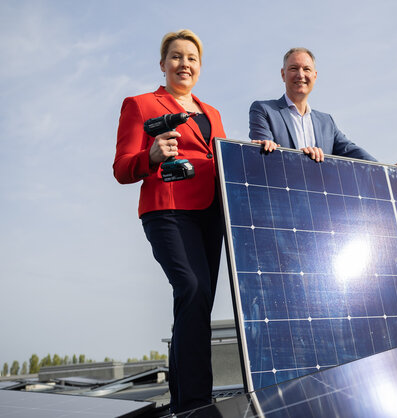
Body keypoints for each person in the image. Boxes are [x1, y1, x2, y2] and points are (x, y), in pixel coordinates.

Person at [113, 29, 225, 413]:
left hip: (211, 214)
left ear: (200, 67)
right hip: (168, 210)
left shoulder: (213, 114)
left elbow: (221, 162)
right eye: (176, 57)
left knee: (199, 303)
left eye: (192, 58)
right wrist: (152, 156)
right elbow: (122, 168)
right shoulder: (140, 104)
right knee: (191, 287)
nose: (184, 64)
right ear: (163, 65)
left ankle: (187, 400)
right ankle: (196, 401)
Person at [249, 47, 397, 175]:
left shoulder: (326, 122)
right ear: (283, 74)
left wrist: (389, 170)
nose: (300, 74)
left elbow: (354, 153)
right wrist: (300, 158)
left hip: (320, 203)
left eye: (306, 69)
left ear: (315, 76)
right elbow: (265, 155)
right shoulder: (263, 110)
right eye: (293, 68)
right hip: (282, 202)